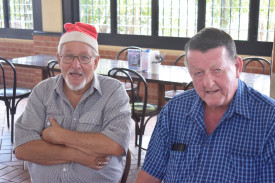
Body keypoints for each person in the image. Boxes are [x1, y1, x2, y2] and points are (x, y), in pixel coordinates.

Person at [136, 27, 275, 182]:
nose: (208, 83)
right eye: (198, 73)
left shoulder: (269, 119)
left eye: (217, 70)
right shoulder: (174, 110)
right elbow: (149, 175)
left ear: (237, 67)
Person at [14, 22, 131, 183]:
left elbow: (115, 144)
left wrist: (61, 136)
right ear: (59, 59)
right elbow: (22, 148)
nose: (76, 65)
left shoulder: (113, 91)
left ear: (95, 62)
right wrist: (78, 155)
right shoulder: (42, 91)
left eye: (84, 57)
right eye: (68, 56)